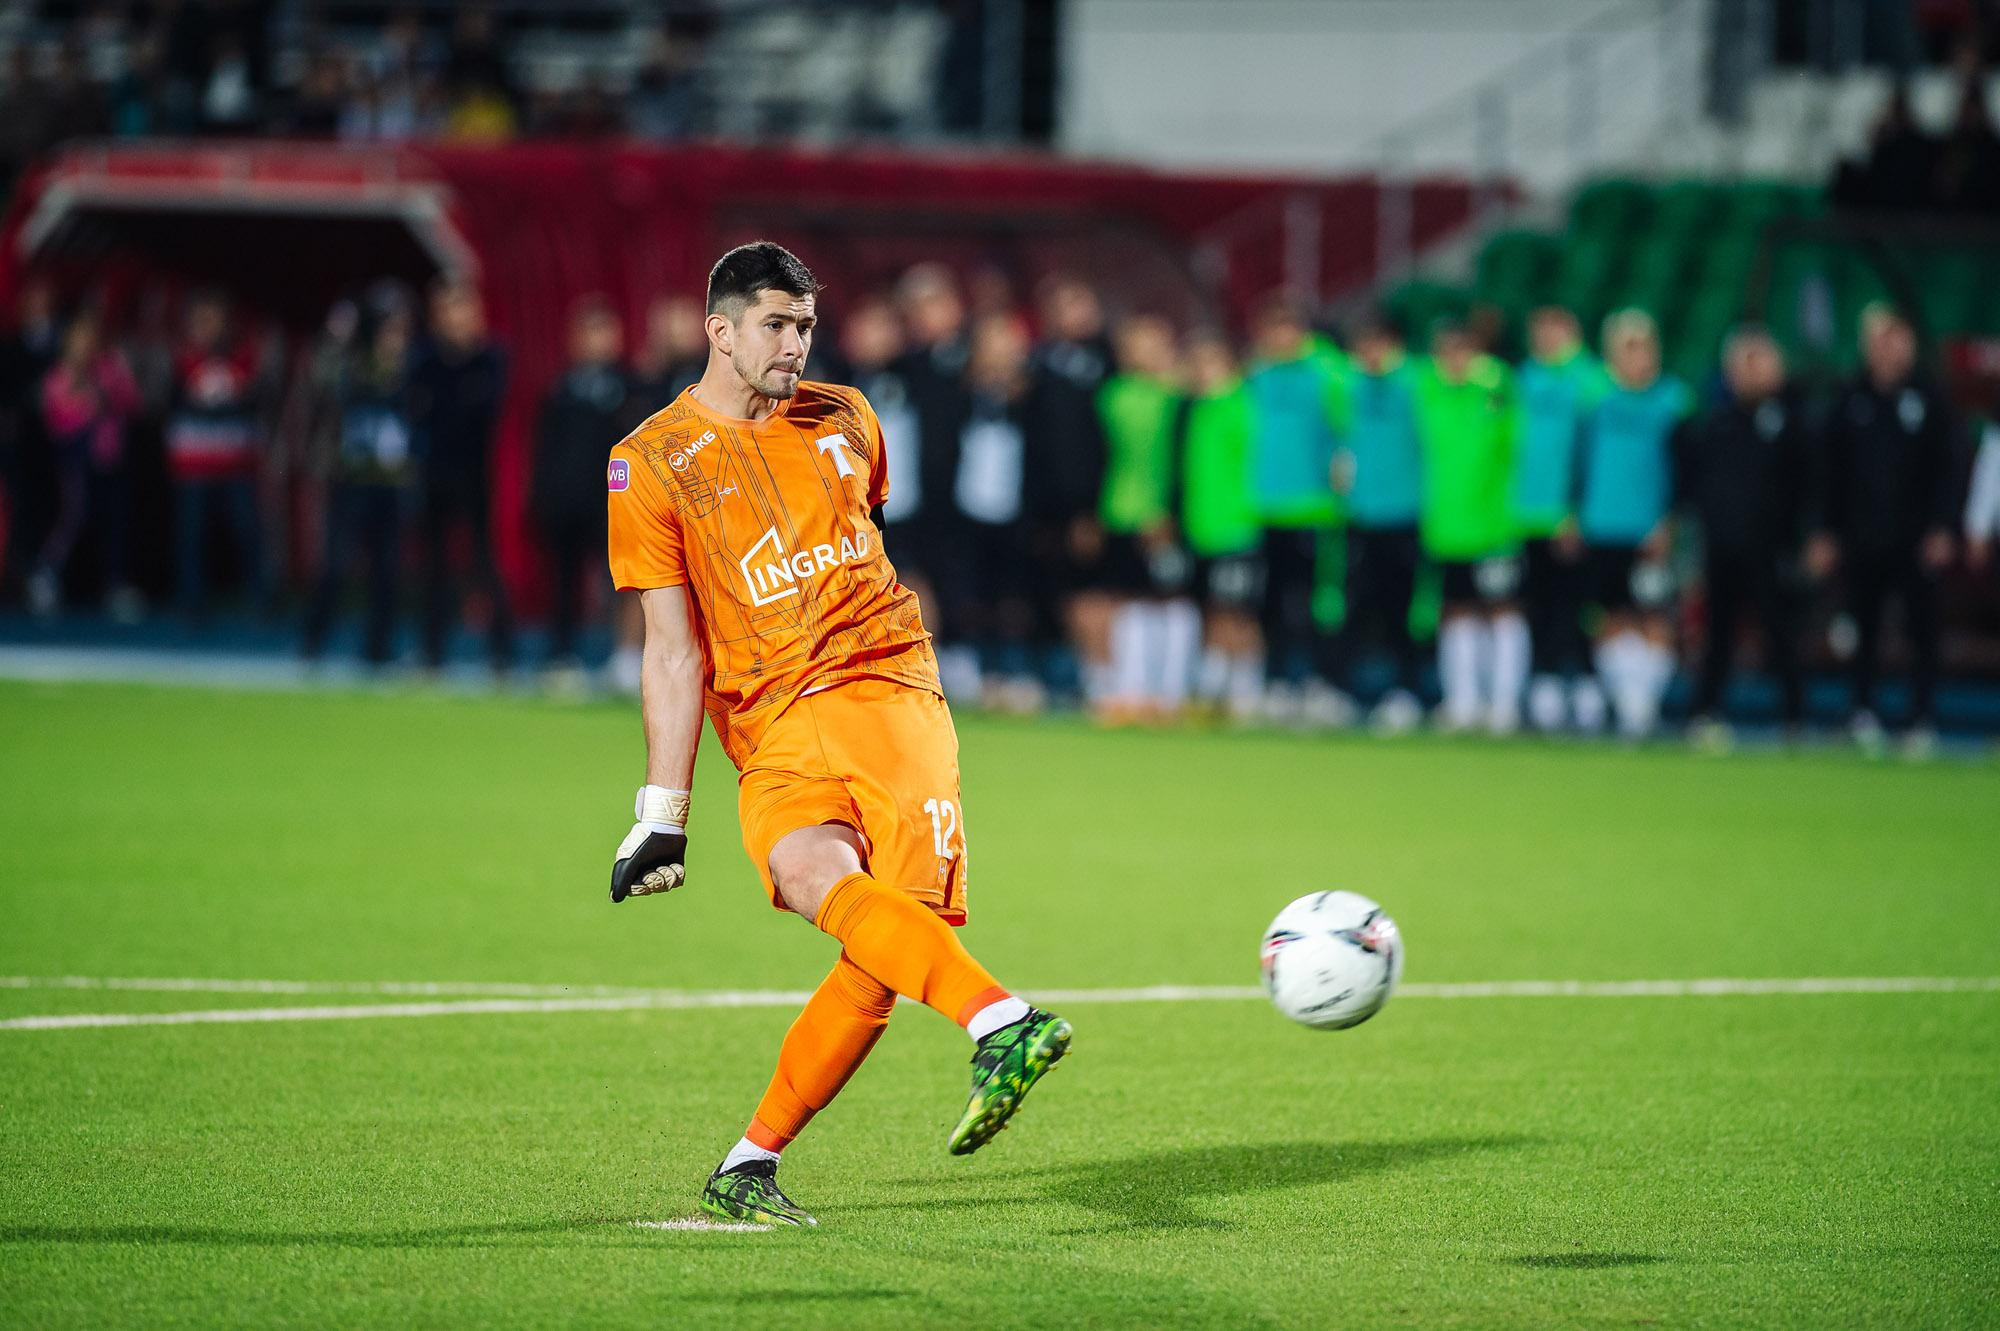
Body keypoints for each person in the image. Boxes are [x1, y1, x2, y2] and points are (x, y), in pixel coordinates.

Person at [604, 242, 1069, 1227]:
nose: (794, 344)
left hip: (885, 692)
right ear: (717, 329)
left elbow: (870, 543)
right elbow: (670, 650)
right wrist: (660, 812)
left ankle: (755, 1156)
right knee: (827, 891)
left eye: (805, 325)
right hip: (769, 725)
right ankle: (999, 1021)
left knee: (892, 939)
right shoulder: (647, 464)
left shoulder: (848, 416)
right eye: (775, 324)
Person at [1820, 304, 1963, 751]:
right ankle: (1861, 712)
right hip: (1863, 536)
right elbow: (1831, 472)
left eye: (1896, 337)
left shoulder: (1931, 398)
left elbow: (1952, 467)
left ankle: (1920, 718)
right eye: (1880, 339)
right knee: (1862, 627)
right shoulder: (1851, 397)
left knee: (1921, 629)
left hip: (1916, 536)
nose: (1889, 348)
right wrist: (1827, 530)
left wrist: (1943, 525)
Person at [1676, 327, 1822, 743]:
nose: (1750, 373)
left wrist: (1811, 537)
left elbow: (1811, 486)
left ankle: (1795, 718)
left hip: (1774, 547)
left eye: (1758, 362)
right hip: (1722, 546)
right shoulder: (1716, 423)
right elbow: (1698, 485)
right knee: (1717, 635)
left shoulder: (1796, 422)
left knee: (1781, 633)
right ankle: (1705, 713)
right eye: (1742, 365)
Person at [1567, 310, 1693, 740]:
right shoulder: (1595, 398)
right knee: (1609, 616)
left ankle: (1644, 703)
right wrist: (1575, 513)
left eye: (1644, 348)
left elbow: (1684, 471)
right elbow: (1578, 463)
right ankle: (1621, 699)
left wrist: (1669, 521)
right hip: (1603, 525)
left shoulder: (1673, 401)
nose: (1638, 358)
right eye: (1628, 348)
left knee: (1654, 616)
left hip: (1649, 529)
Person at [1414, 320, 1522, 733]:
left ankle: (1504, 703)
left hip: (1493, 525)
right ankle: (1462, 700)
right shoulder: (1430, 391)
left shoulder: (1495, 391)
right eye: (1447, 352)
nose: (1454, 362)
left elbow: (1516, 440)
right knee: (1456, 612)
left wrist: (1488, 374)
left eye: (1462, 352)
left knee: (1503, 612)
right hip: (1447, 526)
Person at [1244, 295, 1347, 723]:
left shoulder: (1328, 374)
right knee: (1271, 603)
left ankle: (1323, 683)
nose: (1280, 338)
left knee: (1317, 603)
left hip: (1314, 509)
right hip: (1267, 508)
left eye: (1287, 328)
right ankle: (1277, 683)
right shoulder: (1259, 377)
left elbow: (1346, 434)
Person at [302, 297, 417, 666]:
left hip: (392, 484)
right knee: (335, 565)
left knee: (387, 572)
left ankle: (378, 650)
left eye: (400, 329)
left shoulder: (412, 369)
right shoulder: (351, 366)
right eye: (388, 328)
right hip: (351, 482)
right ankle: (314, 641)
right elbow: (321, 380)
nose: (394, 338)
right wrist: (337, 336)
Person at [1094, 314, 1199, 721]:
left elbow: (1181, 460)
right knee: (1130, 599)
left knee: (1173, 597)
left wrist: (1168, 511)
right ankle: (1132, 689)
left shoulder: (1179, 397)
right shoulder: (1113, 395)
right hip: (1121, 509)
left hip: (1167, 513)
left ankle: (1171, 693)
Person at [1511, 306, 1609, 731]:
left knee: (1578, 605)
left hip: (1569, 516)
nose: (1545, 339)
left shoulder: (1592, 381)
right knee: (1537, 605)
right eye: (1539, 330)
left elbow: (1593, 456)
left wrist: (1576, 510)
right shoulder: (1522, 379)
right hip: (1523, 515)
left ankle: (1587, 686)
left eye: (1554, 330)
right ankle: (1545, 685)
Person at [409, 280, 514, 674]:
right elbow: (416, 409)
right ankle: (431, 652)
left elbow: (483, 410)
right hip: (434, 474)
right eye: (451, 309)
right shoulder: (424, 359)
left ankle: (502, 653)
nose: (459, 318)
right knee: (434, 567)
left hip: (474, 477)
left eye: (466, 309)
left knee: (484, 563)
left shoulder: (490, 358)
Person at [1329, 312, 1425, 732]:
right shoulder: (1350, 387)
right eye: (1363, 346)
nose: (1370, 354)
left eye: (1378, 344)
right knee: (1355, 607)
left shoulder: (1418, 384)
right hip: (1361, 514)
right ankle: (1347, 694)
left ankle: (1408, 692)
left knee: (1403, 609)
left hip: (1406, 513)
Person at [943, 313, 1042, 709]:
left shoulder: (1034, 395)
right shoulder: (957, 394)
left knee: (1015, 597)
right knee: (968, 595)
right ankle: (972, 672)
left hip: (1015, 510)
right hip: (966, 508)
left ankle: (1014, 673)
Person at [1022, 276, 1112, 704]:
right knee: (1058, 593)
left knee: (1094, 590)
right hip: (1044, 504)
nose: (1069, 314)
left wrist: (1089, 507)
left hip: (1095, 500)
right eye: (1060, 305)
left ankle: (1105, 680)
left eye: (1077, 303)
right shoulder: (1039, 365)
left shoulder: (1109, 362)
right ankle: (1073, 678)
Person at [533, 297, 633, 681]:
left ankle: (622, 656)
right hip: (565, 503)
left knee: (622, 581)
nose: (598, 340)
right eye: (589, 332)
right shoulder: (561, 389)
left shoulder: (628, 387)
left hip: (609, 503)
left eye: (605, 331)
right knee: (564, 582)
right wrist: (543, 498)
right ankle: (562, 656)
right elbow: (545, 449)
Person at [29, 310, 141, 618]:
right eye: (79, 339)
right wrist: (86, 404)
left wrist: (108, 389)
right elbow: (57, 422)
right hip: (76, 459)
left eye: (90, 338)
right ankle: (47, 575)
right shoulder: (59, 376)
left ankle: (115, 584)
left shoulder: (110, 368)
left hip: (110, 458)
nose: (85, 345)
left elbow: (132, 403)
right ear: (69, 343)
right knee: (75, 515)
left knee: (114, 521)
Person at [1178, 329, 1265, 723]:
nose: (1201, 372)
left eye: (1209, 364)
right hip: (1203, 528)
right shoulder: (1196, 410)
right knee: (1214, 607)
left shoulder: (1243, 408)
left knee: (1238, 611)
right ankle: (1217, 690)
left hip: (1237, 527)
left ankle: (1246, 690)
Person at [167, 290, 270, 620]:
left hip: (235, 463)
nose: (209, 327)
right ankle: (192, 603)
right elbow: (165, 407)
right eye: (203, 320)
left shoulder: (244, 360)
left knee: (247, 531)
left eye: (216, 320)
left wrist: (240, 391)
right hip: (193, 465)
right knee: (193, 536)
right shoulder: (180, 361)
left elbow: (258, 404)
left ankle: (261, 599)